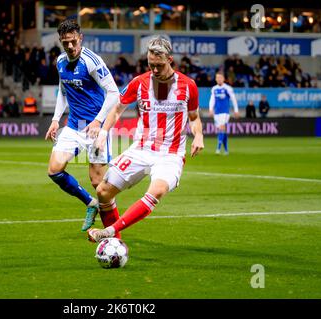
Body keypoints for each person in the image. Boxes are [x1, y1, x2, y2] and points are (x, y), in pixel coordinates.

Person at [86, 36, 204, 242]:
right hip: (142, 149)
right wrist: (104, 132)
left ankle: (109, 233)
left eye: (159, 65)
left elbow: (194, 118)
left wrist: (199, 136)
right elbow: (116, 110)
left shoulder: (188, 85)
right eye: (151, 65)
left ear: (170, 59)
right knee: (103, 192)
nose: (155, 70)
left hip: (171, 154)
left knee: (157, 190)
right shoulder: (139, 83)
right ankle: (116, 244)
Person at [44, 19, 119, 232]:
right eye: (65, 42)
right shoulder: (60, 62)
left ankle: (113, 231)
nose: (70, 46)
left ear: (81, 38)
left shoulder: (92, 61)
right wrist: (55, 119)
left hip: (96, 127)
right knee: (54, 170)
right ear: (60, 41)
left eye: (73, 41)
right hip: (74, 125)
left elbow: (114, 92)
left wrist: (98, 120)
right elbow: (64, 92)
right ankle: (90, 203)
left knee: (99, 184)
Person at [209, 73, 239, 155]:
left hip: (225, 112)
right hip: (217, 112)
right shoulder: (214, 89)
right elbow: (212, 100)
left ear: (223, 79)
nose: (218, 79)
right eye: (217, 78)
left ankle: (218, 148)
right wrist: (211, 109)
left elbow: (233, 99)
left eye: (220, 78)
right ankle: (226, 150)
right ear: (215, 79)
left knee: (222, 128)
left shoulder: (228, 88)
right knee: (222, 130)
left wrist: (236, 110)